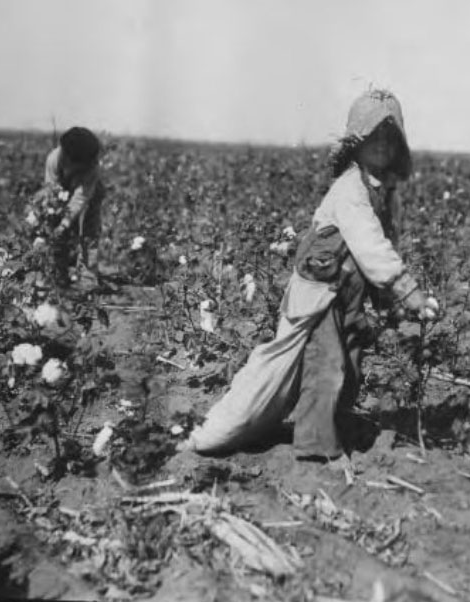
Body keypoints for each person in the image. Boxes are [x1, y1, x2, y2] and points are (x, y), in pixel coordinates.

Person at [187, 89, 439, 461]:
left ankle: (334, 428)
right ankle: (314, 449)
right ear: (356, 144)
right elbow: (370, 247)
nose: (382, 147)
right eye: (374, 139)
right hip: (320, 296)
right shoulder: (349, 189)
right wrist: (406, 290)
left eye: (390, 140)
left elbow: (389, 242)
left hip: (349, 294)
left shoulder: (385, 191)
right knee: (327, 367)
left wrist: (392, 298)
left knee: (350, 365)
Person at [28, 126, 105, 287]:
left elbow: (79, 199)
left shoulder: (92, 168)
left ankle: (87, 276)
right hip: (59, 193)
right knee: (55, 231)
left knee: (90, 232)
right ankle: (57, 273)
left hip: (90, 194)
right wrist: (55, 222)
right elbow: (51, 191)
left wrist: (65, 224)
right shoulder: (54, 159)